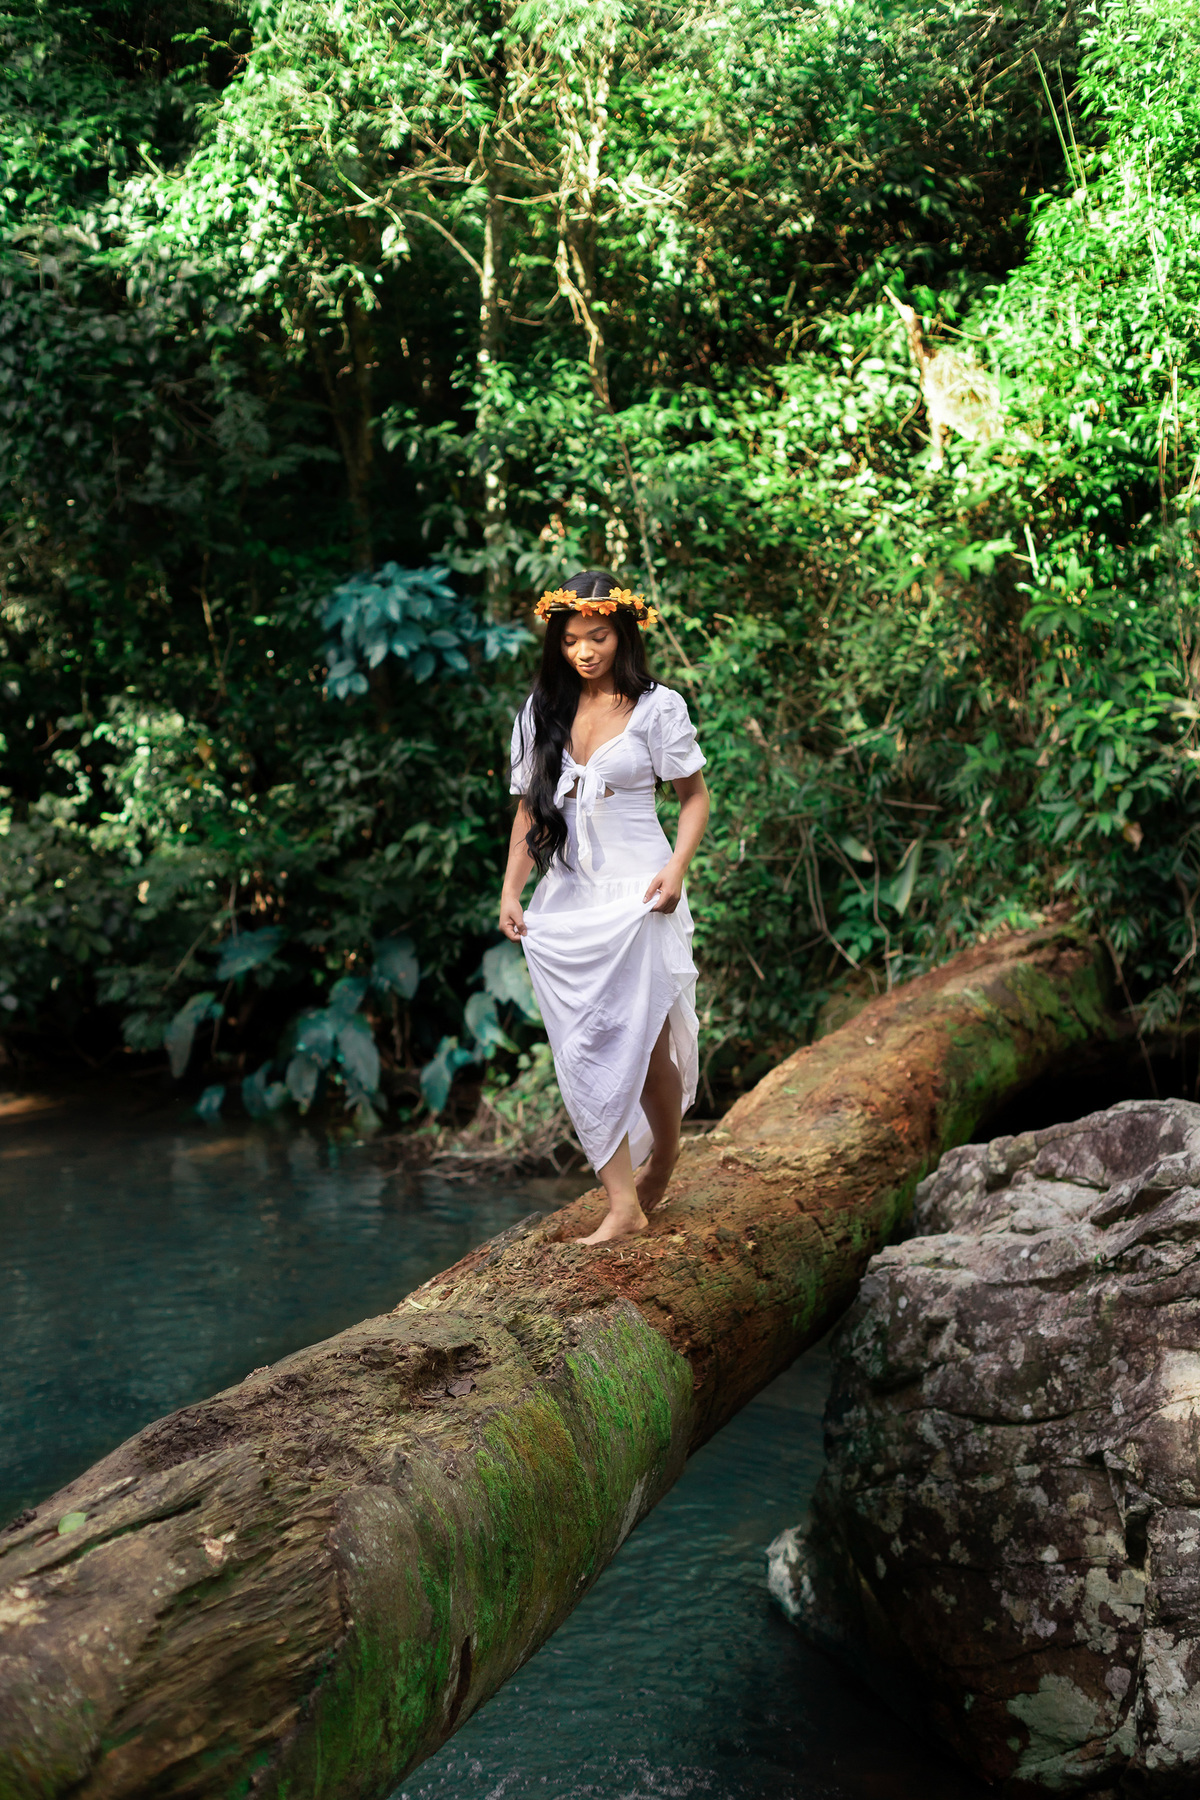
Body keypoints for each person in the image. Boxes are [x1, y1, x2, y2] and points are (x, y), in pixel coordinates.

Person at [498, 570, 710, 1243]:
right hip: (567, 902)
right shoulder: (541, 712)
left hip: (641, 895)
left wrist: (676, 869)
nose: (585, 651)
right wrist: (511, 886)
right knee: (581, 1043)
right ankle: (622, 1200)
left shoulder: (657, 708)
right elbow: (531, 810)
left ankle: (666, 1158)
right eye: (570, 640)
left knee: (645, 1048)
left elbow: (695, 798)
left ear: (622, 633)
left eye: (597, 636)